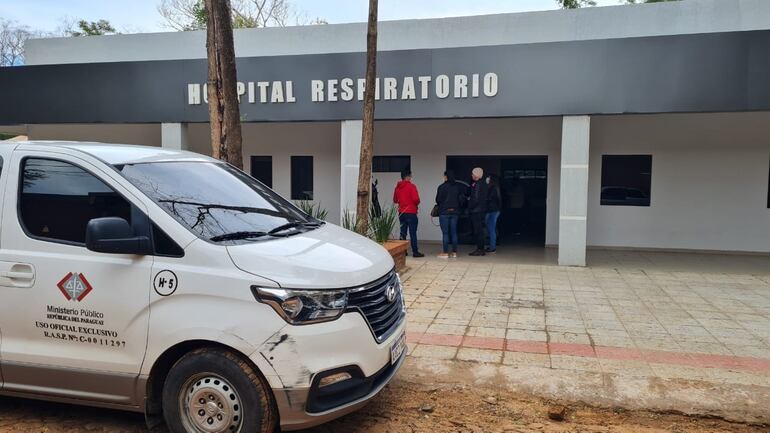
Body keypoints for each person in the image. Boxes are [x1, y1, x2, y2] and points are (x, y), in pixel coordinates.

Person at [393, 168, 424, 257]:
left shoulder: (397, 187)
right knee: (413, 233)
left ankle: (402, 252)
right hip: (411, 213)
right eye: (410, 176)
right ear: (408, 176)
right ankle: (415, 252)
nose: (411, 178)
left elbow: (395, 200)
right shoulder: (412, 186)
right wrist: (415, 204)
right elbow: (416, 199)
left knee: (403, 233)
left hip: (402, 213)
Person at [435, 170, 465, 259]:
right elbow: (462, 199)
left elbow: (437, 200)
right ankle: (454, 253)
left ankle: (445, 253)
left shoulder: (441, 187)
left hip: (444, 212)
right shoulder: (458, 187)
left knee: (445, 233)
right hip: (455, 212)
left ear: (446, 177)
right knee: (454, 232)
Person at [467, 167, 488, 256]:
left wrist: (470, 207)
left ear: (476, 175)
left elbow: (475, 199)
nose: (471, 175)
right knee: (480, 230)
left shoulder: (478, 184)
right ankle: (481, 249)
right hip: (481, 210)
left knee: (477, 231)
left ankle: (480, 249)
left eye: (472, 174)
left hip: (476, 211)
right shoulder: (483, 183)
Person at [485, 174, 502, 253]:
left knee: (491, 229)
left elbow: (489, 199)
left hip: (492, 211)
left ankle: (493, 248)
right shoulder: (495, 188)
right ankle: (492, 246)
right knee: (491, 228)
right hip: (494, 210)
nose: (487, 179)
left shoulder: (493, 188)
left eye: (488, 178)